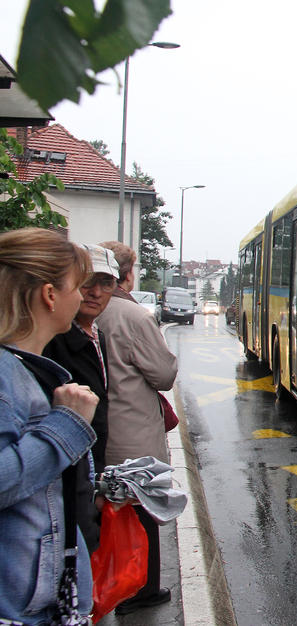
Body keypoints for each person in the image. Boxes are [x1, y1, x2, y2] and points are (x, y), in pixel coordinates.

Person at [0, 228, 99, 624]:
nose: (82, 297)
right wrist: (68, 426)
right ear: (49, 295)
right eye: (77, 286)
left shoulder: (26, 368)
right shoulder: (5, 374)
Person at [96, 240, 178, 615]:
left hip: (97, 432)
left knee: (102, 510)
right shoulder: (133, 316)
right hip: (132, 432)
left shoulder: (84, 311)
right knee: (142, 511)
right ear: (127, 275)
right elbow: (163, 375)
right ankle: (141, 590)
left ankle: (105, 584)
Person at [43, 244, 119, 552]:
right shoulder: (53, 340)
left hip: (88, 476)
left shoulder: (97, 335)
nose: (95, 292)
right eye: (87, 282)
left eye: (106, 283)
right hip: (63, 489)